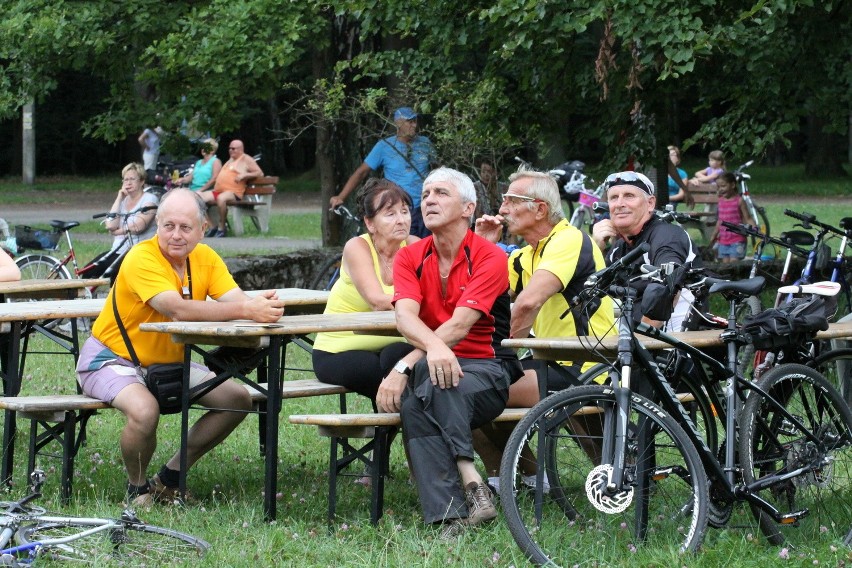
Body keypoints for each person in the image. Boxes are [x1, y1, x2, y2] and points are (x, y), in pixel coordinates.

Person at [75, 188, 285, 508]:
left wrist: (260, 307)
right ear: (156, 225)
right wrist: (248, 311)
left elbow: (236, 300)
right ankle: (138, 488)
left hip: (168, 363)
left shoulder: (206, 258)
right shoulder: (141, 257)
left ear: (203, 229)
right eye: (168, 226)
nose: (176, 235)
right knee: (145, 411)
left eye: (185, 228)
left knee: (238, 399)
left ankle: (170, 478)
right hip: (111, 359)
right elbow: (178, 309)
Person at [375, 167, 522, 537]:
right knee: (421, 396)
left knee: (425, 385)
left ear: (468, 207)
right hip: (439, 368)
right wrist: (432, 352)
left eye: (440, 193)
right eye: (425, 194)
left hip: (485, 371)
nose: (428, 200)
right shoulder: (411, 256)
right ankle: (454, 514)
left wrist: (411, 360)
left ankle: (469, 483)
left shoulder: (489, 256)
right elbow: (404, 317)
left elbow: (461, 324)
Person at [472, 169, 615, 490]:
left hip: (588, 364)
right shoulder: (525, 256)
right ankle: (525, 476)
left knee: (470, 391)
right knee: (464, 386)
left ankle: (522, 476)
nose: (503, 207)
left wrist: (500, 359)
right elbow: (473, 294)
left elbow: (526, 304)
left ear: (539, 209)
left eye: (512, 200)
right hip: (550, 363)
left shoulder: (568, 239)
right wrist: (482, 246)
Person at [313, 178, 418, 400]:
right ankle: (396, 431)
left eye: (405, 211)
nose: (401, 220)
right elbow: (377, 301)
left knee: (405, 358)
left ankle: (389, 432)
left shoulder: (415, 246)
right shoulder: (357, 247)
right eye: (391, 214)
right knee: (377, 370)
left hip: (389, 343)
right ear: (370, 223)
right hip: (337, 349)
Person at [592, 171, 699, 332]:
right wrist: (596, 247)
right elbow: (591, 293)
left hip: (675, 343)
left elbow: (668, 287)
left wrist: (638, 343)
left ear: (650, 203)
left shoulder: (667, 236)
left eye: (629, 196)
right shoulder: (618, 248)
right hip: (634, 341)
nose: (620, 203)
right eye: (614, 197)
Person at [330, 107, 436, 238]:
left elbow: (437, 171)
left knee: (427, 249)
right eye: (409, 121)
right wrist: (341, 197)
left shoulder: (425, 143)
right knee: (405, 250)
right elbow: (361, 172)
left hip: (423, 207)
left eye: (415, 121)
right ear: (398, 123)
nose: (414, 125)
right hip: (399, 208)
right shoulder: (384, 146)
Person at [199, 140, 263, 238]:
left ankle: (222, 227)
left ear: (241, 149)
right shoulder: (231, 159)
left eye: (233, 148)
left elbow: (259, 173)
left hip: (234, 193)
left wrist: (245, 175)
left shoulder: (246, 159)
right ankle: (212, 226)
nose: (230, 150)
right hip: (218, 191)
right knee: (198, 198)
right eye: (229, 148)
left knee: (221, 198)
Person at [103, 163, 159, 254]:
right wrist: (119, 198)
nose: (128, 183)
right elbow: (110, 225)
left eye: (132, 179)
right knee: (93, 267)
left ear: (142, 181)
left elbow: (138, 226)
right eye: (126, 180)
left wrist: (117, 232)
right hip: (117, 251)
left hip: (139, 252)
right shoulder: (122, 201)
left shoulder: (150, 199)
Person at [709, 171, 755, 263]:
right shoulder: (721, 201)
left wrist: (755, 229)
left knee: (734, 264)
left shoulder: (739, 201)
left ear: (733, 185)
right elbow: (720, 220)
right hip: (723, 240)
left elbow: (748, 218)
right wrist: (714, 235)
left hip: (737, 239)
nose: (720, 189)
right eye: (718, 187)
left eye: (723, 186)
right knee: (725, 265)